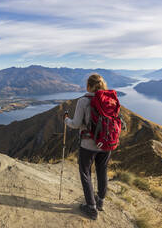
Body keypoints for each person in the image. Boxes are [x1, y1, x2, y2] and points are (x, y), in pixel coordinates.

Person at [64, 73, 111, 220]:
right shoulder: (109, 100)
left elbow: (76, 124)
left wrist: (66, 120)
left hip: (88, 144)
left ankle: (91, 208)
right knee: (102, 171)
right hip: (106, 144)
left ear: (88, 86)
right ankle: (100, 202)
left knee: (85, 173)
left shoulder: (84, 101)